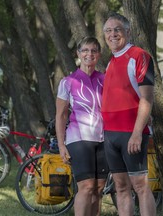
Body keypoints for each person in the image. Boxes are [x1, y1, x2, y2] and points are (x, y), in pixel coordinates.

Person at [101, 12, 156, 216]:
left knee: (140, 186)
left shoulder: (139, 55)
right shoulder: (110, 61)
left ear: (127, 31)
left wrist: (136, 132)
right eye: (108, 30)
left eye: (117, 29)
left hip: (131, 133)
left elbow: (147, 99)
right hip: (110, 135)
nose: (112, 34)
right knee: (121, 188)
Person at [55, 36, 109, 216]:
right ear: (78, 53)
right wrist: (61, 145)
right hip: (78, 139)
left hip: (103, 139)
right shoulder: (68, 82)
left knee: (99, 188)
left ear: (99, 55)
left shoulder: (105, 80)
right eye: (85, 50)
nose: (89, 54)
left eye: (93, 50)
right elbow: (61, 115)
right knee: (86, 186)